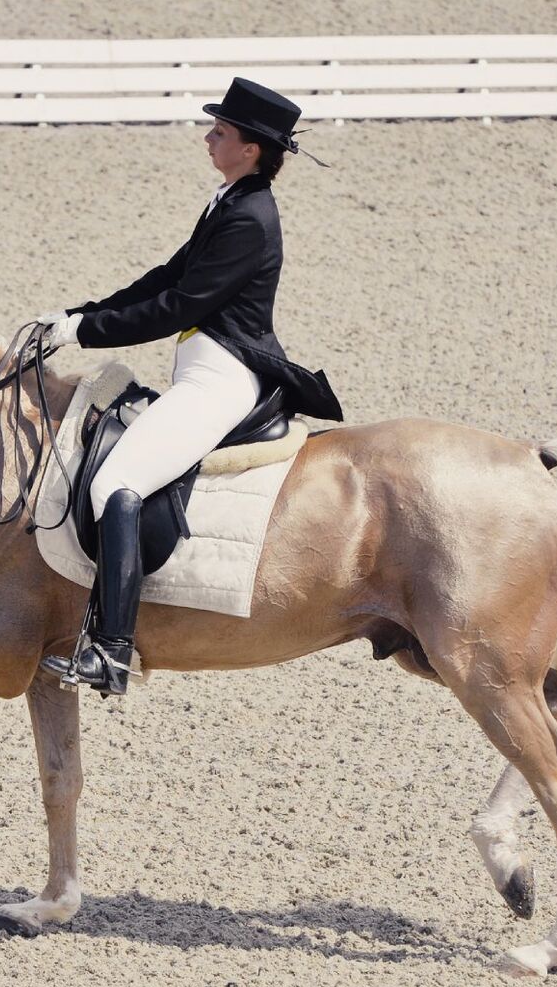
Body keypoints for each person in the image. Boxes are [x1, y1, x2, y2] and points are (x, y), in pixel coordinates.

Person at [38, 77, 344, 696]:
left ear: (251, 148)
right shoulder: (228, 201)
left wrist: (88, 332)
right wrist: (78, 315)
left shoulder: (250, 218)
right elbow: (164, 276)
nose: (209, 137)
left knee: (115, 482)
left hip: (222, 376)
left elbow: (178, 306)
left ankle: (111, 650)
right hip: (202, 367)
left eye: (221, 131)